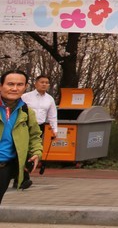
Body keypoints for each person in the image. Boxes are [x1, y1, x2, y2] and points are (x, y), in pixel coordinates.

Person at [0, 70, 42, 204]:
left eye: (19, 85)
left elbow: (35, 136)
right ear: (1, 86)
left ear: (25, 87)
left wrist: (36, 152)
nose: (14, 88)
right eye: (10, 84)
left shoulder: (26, 112)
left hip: (4, 168)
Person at [20, 74, 58, 189]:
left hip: (39, 127)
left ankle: (22, 178)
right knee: (23, 151)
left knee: (34, 152)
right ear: (36, 83)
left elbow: (52, 115)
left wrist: (54, 129)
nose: (44, 84)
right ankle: (23, 178)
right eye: (42, 82)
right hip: (24, 126)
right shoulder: (26, 97)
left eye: (46, 82)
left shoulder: (49, 99)